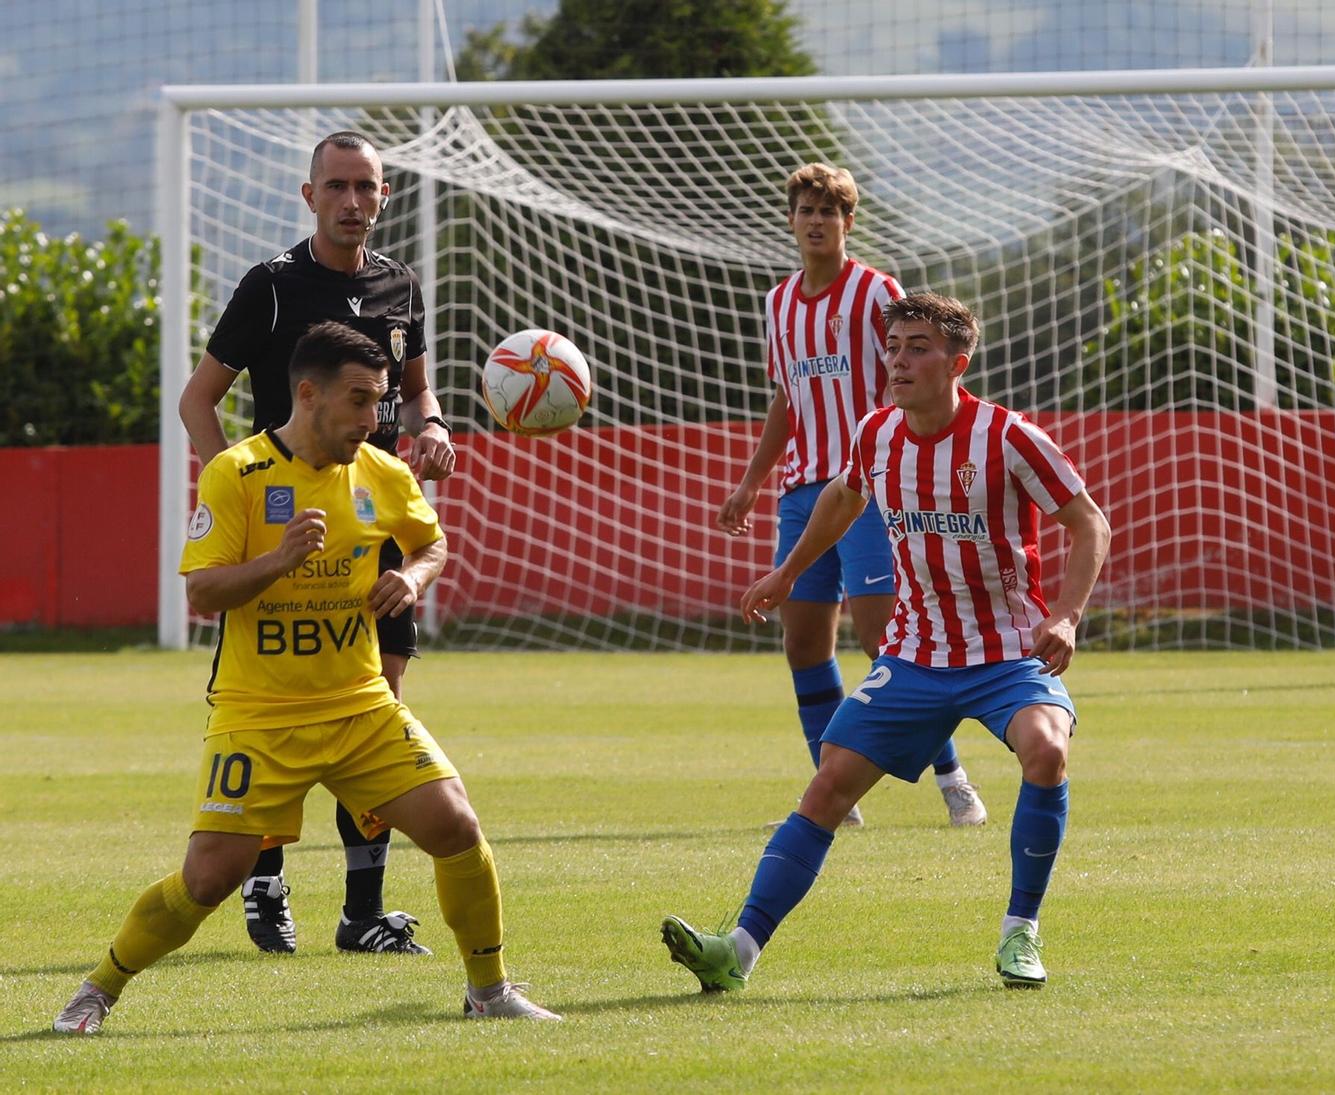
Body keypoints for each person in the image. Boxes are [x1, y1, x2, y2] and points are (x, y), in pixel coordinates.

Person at [54, 323, 557, 1034]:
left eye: (380, 402)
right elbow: (203, 593)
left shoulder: (382, 472)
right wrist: (277, 562)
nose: (370, 420)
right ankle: (98, 988)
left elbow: (432, 541)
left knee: (456, 826)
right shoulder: (238, 473)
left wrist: (410, 579)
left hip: (359, 706)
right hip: (258, 714)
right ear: (308, 392)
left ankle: (488, 988)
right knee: (207, 880)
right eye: (358, 401)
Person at [663, 293, 1111, 990]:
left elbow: (1090, 523)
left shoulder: (1009, 436)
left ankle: (1020, 931)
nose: (899, 360)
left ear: (956, 363)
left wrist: (1068, 615)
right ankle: (737, 952)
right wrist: (787, 571)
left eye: (918, 348)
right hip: (914, 653)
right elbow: (843, 497)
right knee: (829, 785)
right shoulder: (877, 434)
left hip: (1008, 653)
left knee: (1047, 748)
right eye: (894, 346)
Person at [177, 130, 454, 955]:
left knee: (382, 709)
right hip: (287, 542)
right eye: (336, 186)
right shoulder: (269, 286)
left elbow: (415, 390)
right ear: (308, 197)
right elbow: (200, 399)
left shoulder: (401, 284)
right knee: (278, 710)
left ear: (384, 196)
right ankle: (264, 889)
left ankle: (362, 909)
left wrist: (432, 425)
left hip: (372, 531)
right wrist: (234, 489)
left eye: (366, 187)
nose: (351, 201)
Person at [717, 162, 986, 829]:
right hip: (802, 489)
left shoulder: (874, 293)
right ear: (791, 220)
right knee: (803, 643)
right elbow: (785, 396)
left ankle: (953, 778)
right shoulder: (779, 303)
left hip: (867, 490)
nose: (815, 221)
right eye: (805, 210)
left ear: (847, 222)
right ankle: (835, 798)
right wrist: (753, 479)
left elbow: (911, 373)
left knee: (880, 637)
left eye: (827, 212)